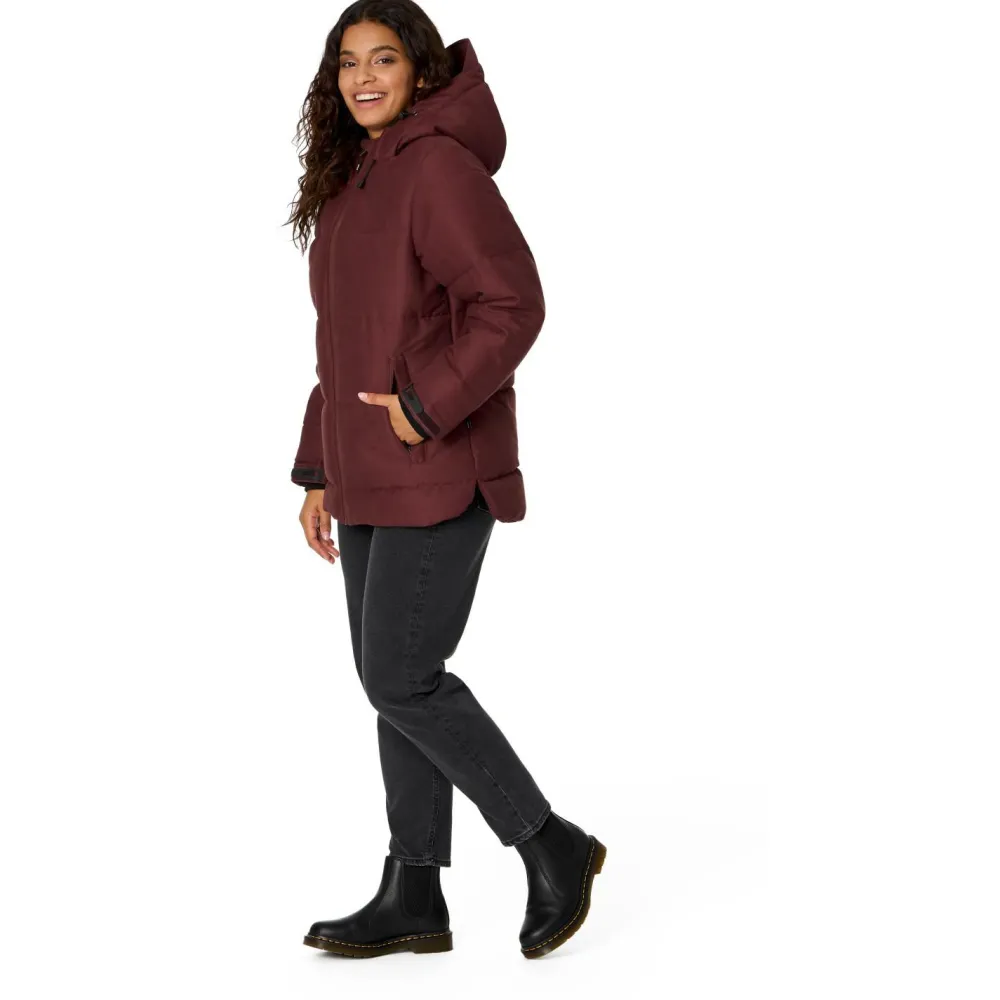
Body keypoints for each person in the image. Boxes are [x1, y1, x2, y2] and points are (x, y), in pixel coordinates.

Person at [284, 1, 605, 959]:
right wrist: (318, 469)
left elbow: (512, 302)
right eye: (348, 62)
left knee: (400, 676)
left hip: (436, 463)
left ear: (421, 72)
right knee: (393, 685)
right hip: (367, 472)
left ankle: (550, 843)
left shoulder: (435, 169)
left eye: (384, 59)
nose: (363, 77)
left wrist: (424, 406)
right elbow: (342, 346)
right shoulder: (353, 184)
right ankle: (414, 890)